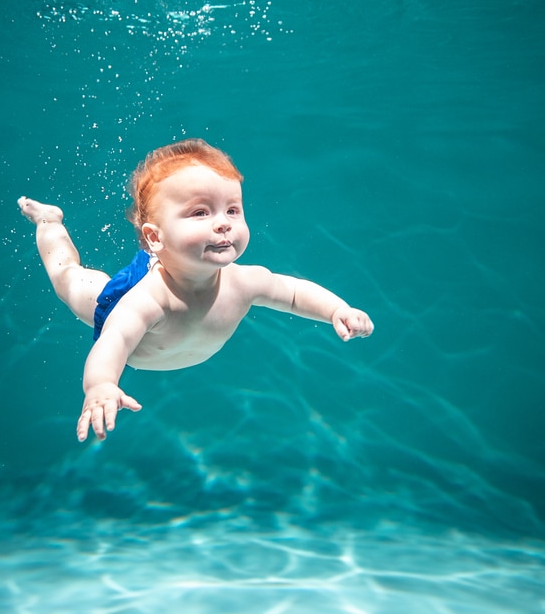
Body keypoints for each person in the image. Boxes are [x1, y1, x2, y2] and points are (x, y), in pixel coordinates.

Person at [19, 139, 374, 442]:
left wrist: (336, 310)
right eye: (200, 212)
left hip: (167, 273)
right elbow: (112, 343)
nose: (223, 223)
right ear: (154, 238)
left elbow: (293, 292)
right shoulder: (146, 302)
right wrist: (100, 386)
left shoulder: (245, 281)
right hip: (120, 294)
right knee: (69, 278)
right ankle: (49, 221)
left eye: (233, 210)